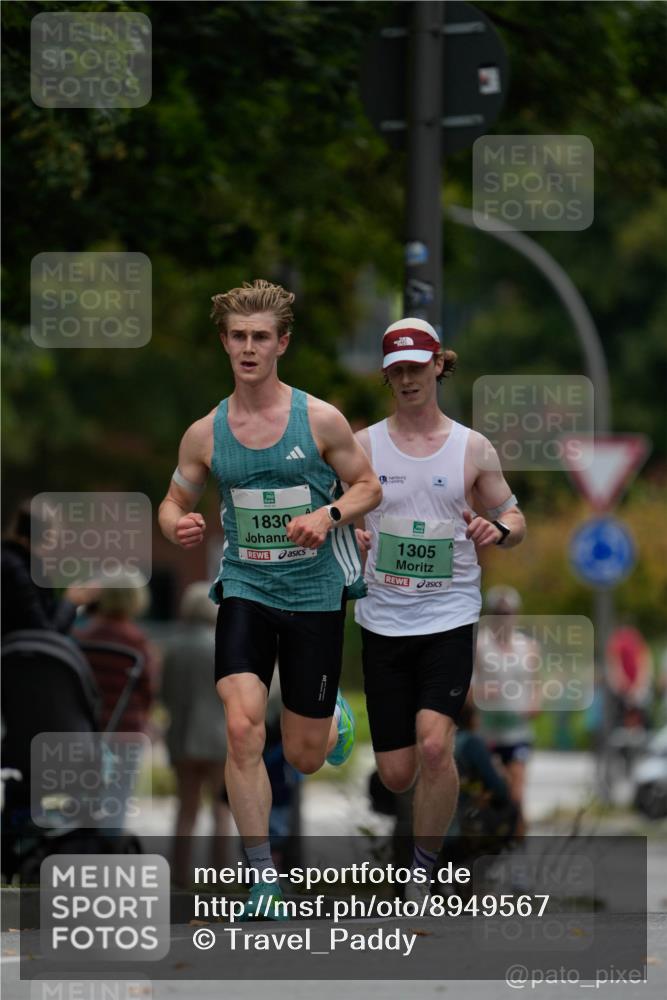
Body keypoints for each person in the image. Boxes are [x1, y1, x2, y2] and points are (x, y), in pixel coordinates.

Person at [158, 279, 381, 919]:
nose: (249, 348)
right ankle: (262, 878)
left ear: (282, 342)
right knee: (240, 724)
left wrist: (329, 513)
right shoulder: (205, 433)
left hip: (314, 592)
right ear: (224, 343)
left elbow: (369, 487)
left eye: (261, 337)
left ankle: (328, 717)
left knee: (306, 757)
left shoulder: (320, 420)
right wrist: (179, 524)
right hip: (246, 589)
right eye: (238, 337)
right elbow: (173, 502)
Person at [354, 316, 525, 901]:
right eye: (396, 370)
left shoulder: (472, 447)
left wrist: (495, 528)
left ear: (437, 367)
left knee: (435, 745)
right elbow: (333, 515)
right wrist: (349, 534)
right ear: (387, 376)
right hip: (382, 617)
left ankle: (423, 871)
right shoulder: (362, 446)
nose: (407, 379)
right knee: (398, 771)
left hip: (449, 615)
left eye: (416, 367)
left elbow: (516, 519)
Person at [160, 582, 231, 888]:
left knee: (185, 811)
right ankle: (220, 878)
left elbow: (164, 694)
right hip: (219, 739)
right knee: (221, 812)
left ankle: (179, 877)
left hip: (182, 737)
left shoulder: (173, 648)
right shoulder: (224, 645)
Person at [473, 586, 541, 837]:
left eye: (508, 612)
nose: (504, 617)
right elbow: (466, 688)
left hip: (517, 730)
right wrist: (481, 692)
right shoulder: (479, 646)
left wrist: (535, 703)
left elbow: (536, 684)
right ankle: (484, 842)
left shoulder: (528, 647)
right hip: (487, 731)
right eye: (498, 612)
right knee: (487, 791)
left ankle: (517, 838)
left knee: (516, 792)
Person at [1, 500, 100, 637]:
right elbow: (44, 635)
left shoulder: (13, 561)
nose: (53, 549)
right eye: (52, 540)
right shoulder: (16, 570)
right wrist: (70, 602)